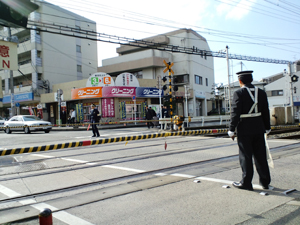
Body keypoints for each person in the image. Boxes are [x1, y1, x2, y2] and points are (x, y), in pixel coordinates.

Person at [228, 70, 271, 191]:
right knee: (261, 156)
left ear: (240, 81)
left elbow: (235, 112)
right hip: (259, 128)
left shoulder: (239, 93)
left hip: (245, 129)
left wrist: (232, 129)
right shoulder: (261, 93)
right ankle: (265, 182)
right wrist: (267, 127)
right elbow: (265, 111)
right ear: (251, 79)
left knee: (246, 156)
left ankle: (246, 183)